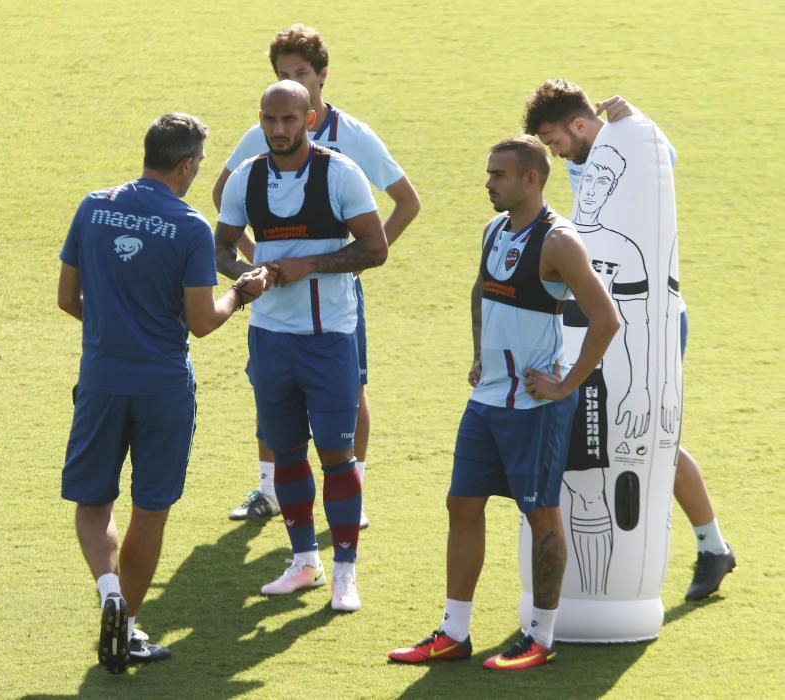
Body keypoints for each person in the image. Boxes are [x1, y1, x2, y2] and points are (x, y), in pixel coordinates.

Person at [388, 136, 619, 669]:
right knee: (461, 505)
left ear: (531, 180)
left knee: (541, 516)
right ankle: (454, 632)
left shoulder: (559, 242)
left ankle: (540, 636)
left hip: (533, 409)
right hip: (489, 398)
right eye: (489, 173)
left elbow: (606, 319)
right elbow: (480, 291)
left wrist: (566, 385)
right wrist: (479, 353)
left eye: (498, 175)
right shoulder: (494, 230)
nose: (488, 183)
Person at [58, 113, 271, 674]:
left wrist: (110, 327)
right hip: (163, 389)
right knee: (149, 510)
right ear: (186, 164)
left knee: (92, 502)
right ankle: (126, 623)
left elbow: (66, 298)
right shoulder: (189, 226)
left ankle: (108, 592)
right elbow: (201, 321)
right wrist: (242, 293)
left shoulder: (91, 206)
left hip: (102, 380)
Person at [523, 79, 736, 601]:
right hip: (600, 316)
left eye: (554, 138)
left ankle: (710, 547)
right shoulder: (589, 160)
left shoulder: (625, 144)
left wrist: (636, 115)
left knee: (647, 439)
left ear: (577, 123)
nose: (553, 152)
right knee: (621, 439)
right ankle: (708, 548)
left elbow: (666, 155)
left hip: (652, 317)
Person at [214, 24, 420, 527]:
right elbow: (225, 194)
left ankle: (355, 487)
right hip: (278, 302)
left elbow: (407, 201)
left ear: (322, 76)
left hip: (338, 293)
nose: (293, 81)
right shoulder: (266, 128)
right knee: (271, 391)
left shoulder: (351, 135)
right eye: (283, 75)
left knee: (353, 387)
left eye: (301, 73)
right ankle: (270, 492)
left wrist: (357, 257)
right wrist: (255, 257)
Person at [215, 80, 388, 612]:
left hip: (329, 338)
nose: (279, 129)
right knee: (286, 453)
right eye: (270, 120)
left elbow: (375, 249)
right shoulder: (247, 179)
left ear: (309, 120)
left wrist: (308, 265)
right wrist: (248, 277)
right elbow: (221, 246)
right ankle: (303, 561)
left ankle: (344, 573)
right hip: (270, 339)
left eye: (290, 119)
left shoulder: (340, 174)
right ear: (261, 120)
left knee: (336, 457)